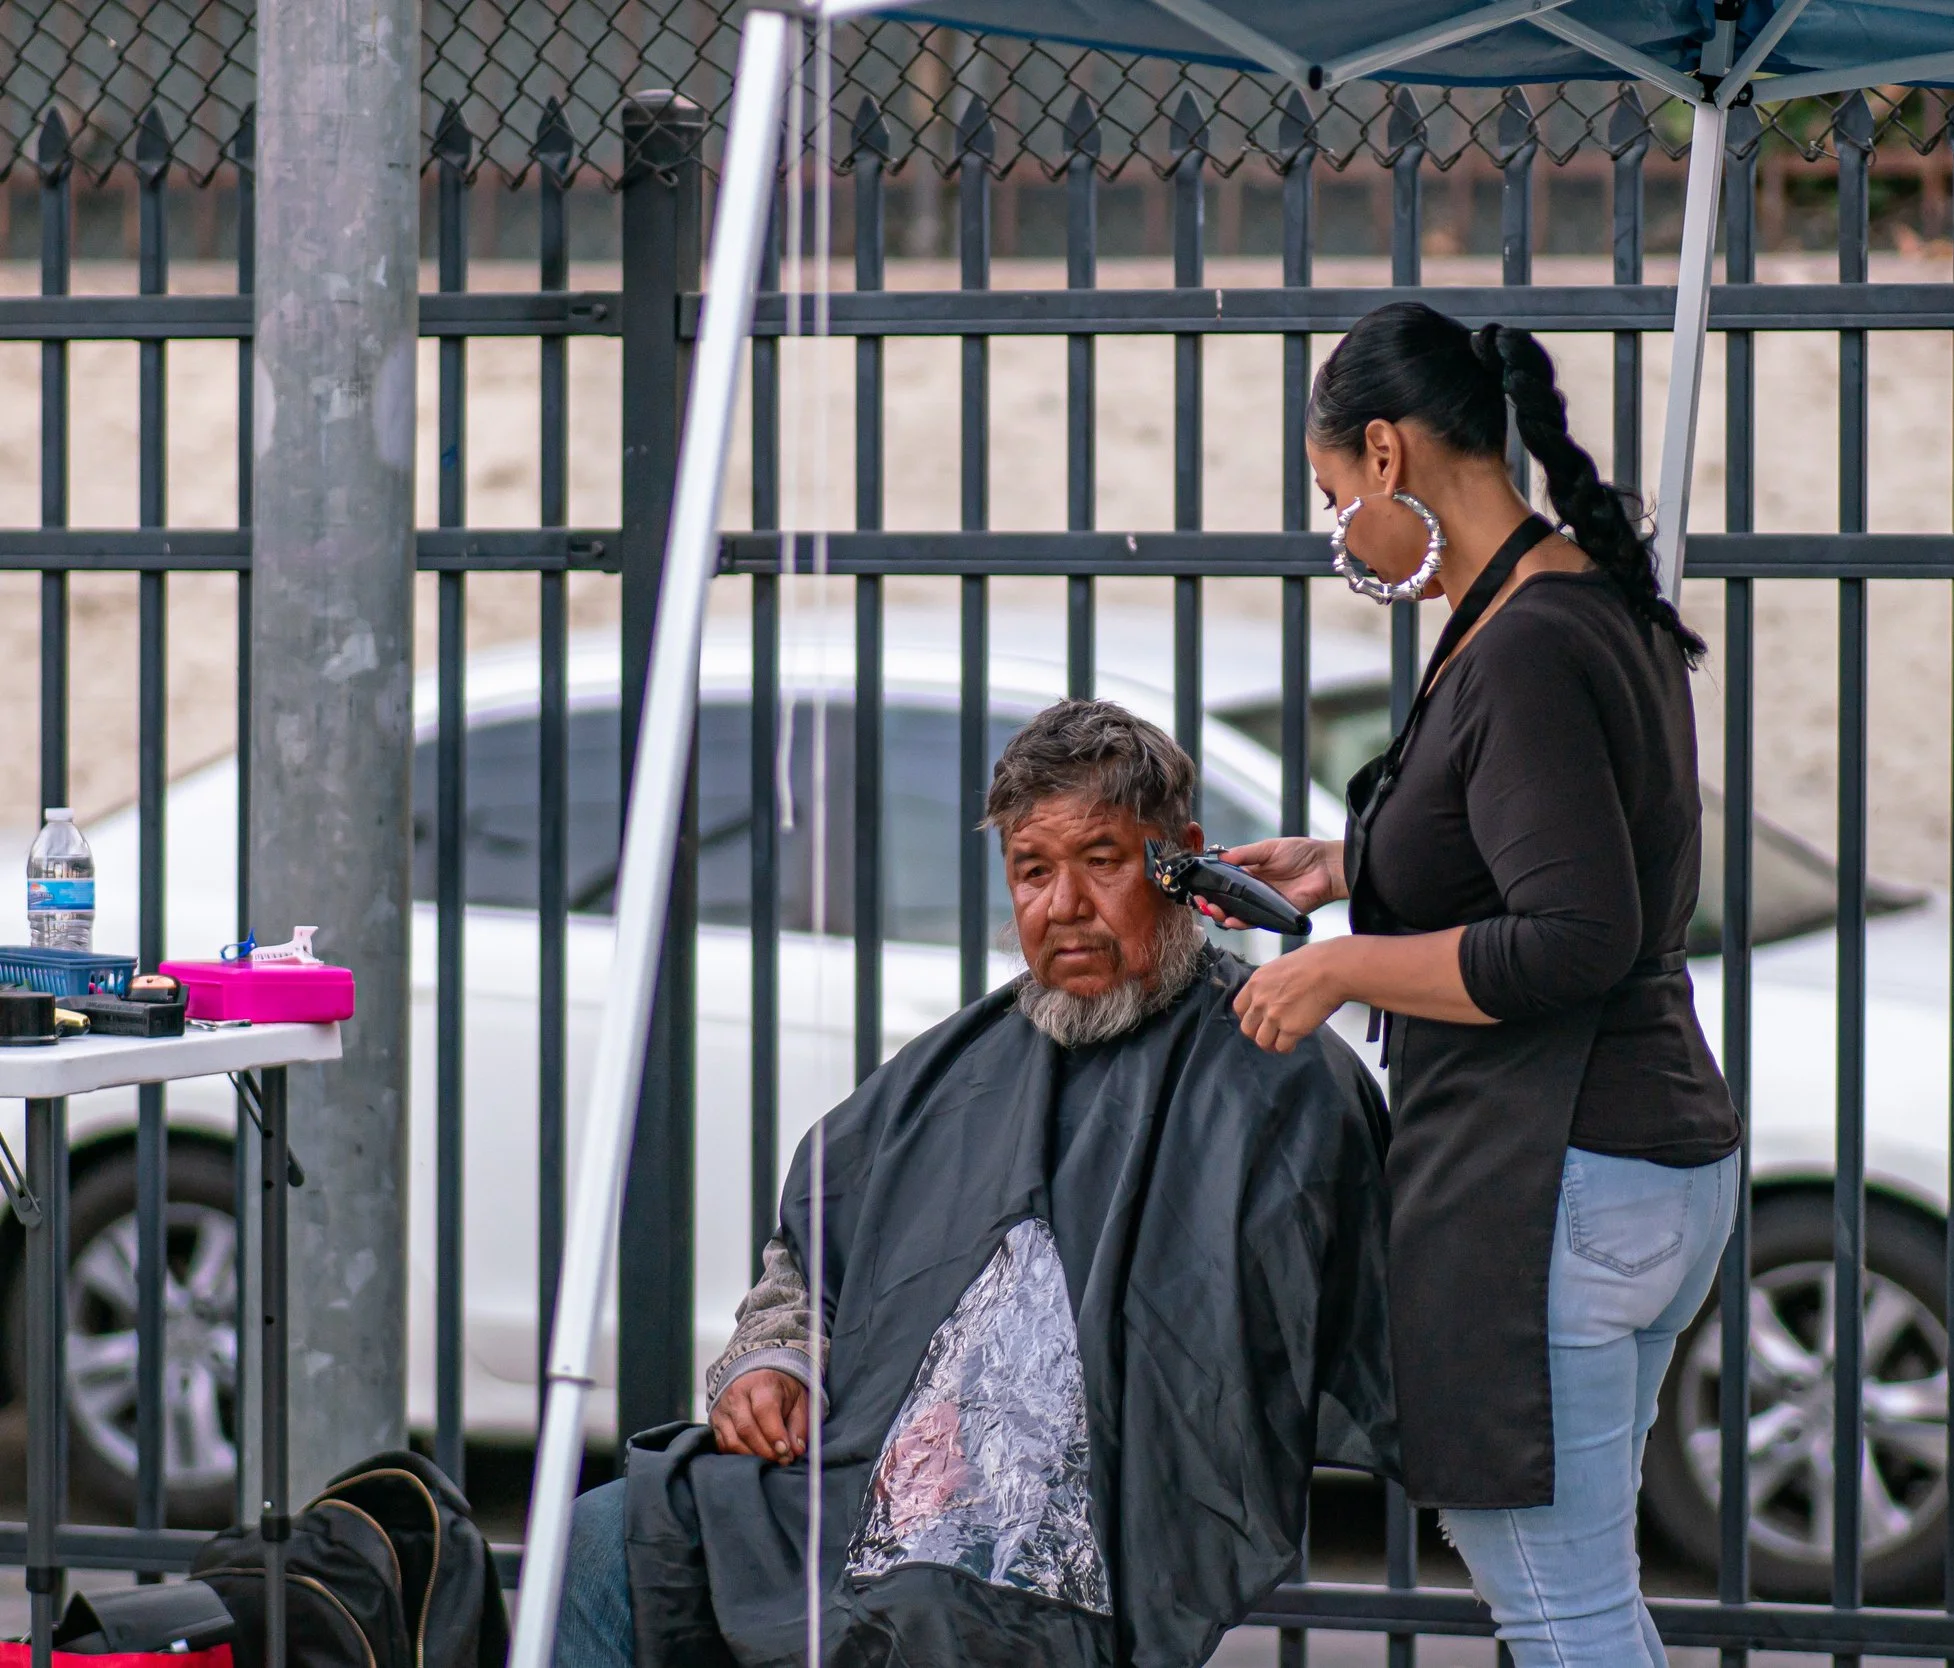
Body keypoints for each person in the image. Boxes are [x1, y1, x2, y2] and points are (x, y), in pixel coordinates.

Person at [556, 700, 1393, 1668]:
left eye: (1103, 861)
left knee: (924, 1615)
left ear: (1182, 858)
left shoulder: (1267, 1070)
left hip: (1079, 1524)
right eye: (1034, 871)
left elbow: (1308, 1327)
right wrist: (771, 1362)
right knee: (612, 1532)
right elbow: (807, 1260)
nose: (1063, 905)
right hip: (859, 1475)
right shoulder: (946, 1073)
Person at [1222, 300, 1742, 1668]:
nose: (1335, 533)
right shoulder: (1576, 599)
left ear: (1386, 458)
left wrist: (1338, 969)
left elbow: (1572, 934)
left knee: (1565, 1620)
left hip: (1557, 1178)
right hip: (1642, 1167)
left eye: (1332, 496)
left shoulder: (1519, 643)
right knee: (1585, 1601)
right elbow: (1550, 846)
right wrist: (1350, 865)